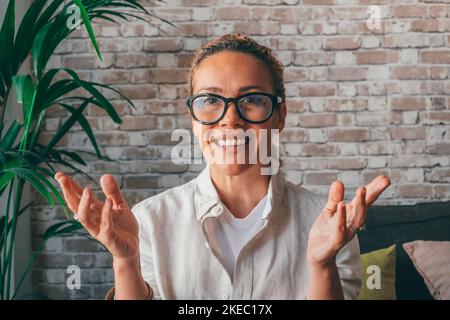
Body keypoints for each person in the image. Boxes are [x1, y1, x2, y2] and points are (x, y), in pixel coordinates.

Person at [55, 34, 391, 300]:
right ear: (193, 120)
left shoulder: (328, 223)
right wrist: (125, 262)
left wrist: (321, 265)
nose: (230, 120)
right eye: (211, 101)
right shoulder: (148, 221)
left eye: (252, 100)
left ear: (280, 116)